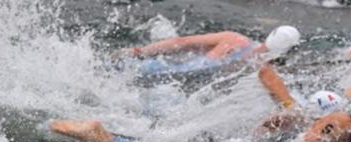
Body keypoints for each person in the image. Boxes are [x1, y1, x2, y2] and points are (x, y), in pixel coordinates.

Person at [120, 25, 301, 77]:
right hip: (176, 88)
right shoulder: (264, 73)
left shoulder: (235, 39)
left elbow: (181, 42)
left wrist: (139, 51)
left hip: (156, 69)